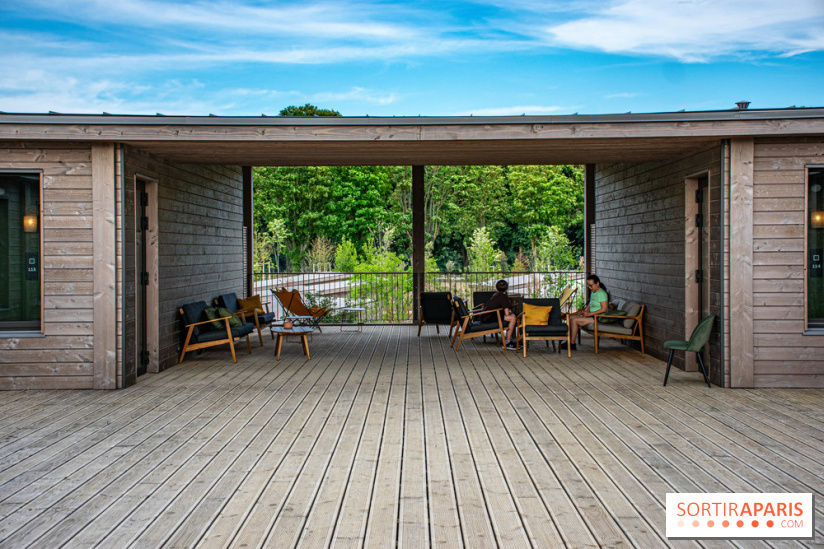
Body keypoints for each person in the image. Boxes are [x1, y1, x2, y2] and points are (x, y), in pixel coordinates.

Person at [565, 274, 609, 351]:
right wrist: (584, 312)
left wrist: (589, 314)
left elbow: (604, 309)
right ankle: (568, 341)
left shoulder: (602, 294)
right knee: (571, 318)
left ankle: (572, 343)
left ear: (597, 283)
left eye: (591, 285)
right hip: (591, 316)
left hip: (598, 317)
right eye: (588, 285)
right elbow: (590, 305)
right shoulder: (594, 292)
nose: (590, 287)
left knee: (575, 320)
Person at [482, 279, 518, 350]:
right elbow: (507, 313)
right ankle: (508, 341)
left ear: (496, 287)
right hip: (490, 317)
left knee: (512, 317)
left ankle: (512, 339)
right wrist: (510, 312)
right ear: (507, 288)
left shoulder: (496, 295)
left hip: (486, 316)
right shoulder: (503, 297)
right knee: (513, 318)